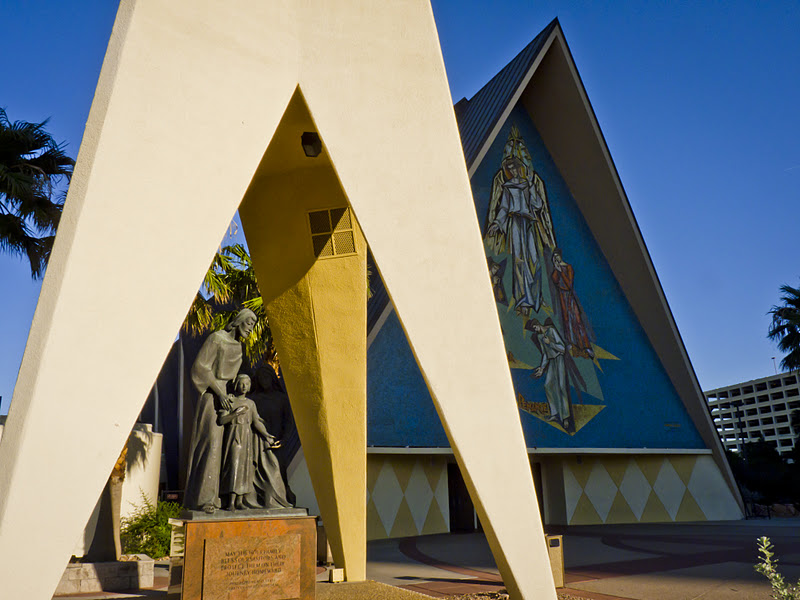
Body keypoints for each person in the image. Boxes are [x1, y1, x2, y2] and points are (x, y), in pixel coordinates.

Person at [183, 308, 257, 513]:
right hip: (212, 397)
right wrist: (219, 393)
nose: (251, 328)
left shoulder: (239, 348)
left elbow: (234, 380)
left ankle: (226, 497)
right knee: (212, 445)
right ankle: (205, 499)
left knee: (230, 449)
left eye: (254, 324)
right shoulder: (217, 339)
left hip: (227, 398)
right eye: (249, 322)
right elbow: (200, 368)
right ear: (240, 320)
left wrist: (231, 396)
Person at [485, 155, 555, 315]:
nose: (513, 170)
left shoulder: (527, 185)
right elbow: (503, 208)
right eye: (510, 169)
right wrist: (496, 223)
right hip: (515, 222)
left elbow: (538, 204)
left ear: (520, 168)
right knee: (519, 260)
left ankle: (536, 296)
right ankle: (524, 299)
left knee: (535, 260)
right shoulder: (508, 187)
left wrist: (531, 186)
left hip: (529, 223)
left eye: (515, 167)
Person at [218, 374, 280, 511]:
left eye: (247, 384)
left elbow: (256, 421)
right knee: (234, 465)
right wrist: (235, 414)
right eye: (241, 383)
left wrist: (266, 435)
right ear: (236, 385)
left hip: (246, 438)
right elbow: (221, 420)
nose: (244, 386)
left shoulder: (251, 403)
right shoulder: (231, 400)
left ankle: (240, 501)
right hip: (234, 435)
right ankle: (231, 502)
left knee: (244, 468)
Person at [246, 365, 296, 509]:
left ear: (272, 379)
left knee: (278, 473)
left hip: (276, 443)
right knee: (255, 473)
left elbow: (289, 423)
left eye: (267, 377)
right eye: (261, 378)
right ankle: (259, 501)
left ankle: (281, 500)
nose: (264, 381)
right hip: (257, 444)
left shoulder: (281, 399)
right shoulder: (253, 399)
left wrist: (284, 439)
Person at [527, 318, 574, 433]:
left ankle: (565, 418)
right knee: (548, 386)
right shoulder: (539, 337)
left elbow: (562, 349)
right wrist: (542, 368)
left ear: (538, 324)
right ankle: (555, 413)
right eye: (534, 330)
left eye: (535, 328)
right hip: (552, 362)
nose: (536, 331)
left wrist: (550, 343)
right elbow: (545, 354)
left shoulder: (551, 331)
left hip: (559, 359)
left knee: (562, 387)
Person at [550, 249, 594, 359]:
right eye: (554, 258)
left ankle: (585, 346)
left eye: (557, 257)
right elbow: (554, 280)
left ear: (561, 257)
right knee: (566, 319)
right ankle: (571, 343)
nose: (556, 259)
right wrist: (556, 269)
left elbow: (569, 284)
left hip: (569, 296)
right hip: (562, 295)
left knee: (577, 320)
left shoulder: (568, 267)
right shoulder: (557, 269)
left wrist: (560, 271)